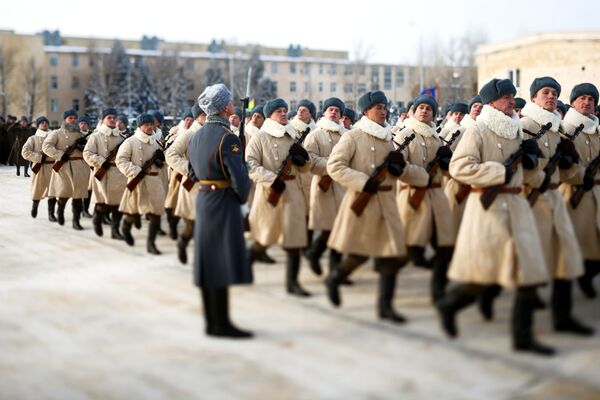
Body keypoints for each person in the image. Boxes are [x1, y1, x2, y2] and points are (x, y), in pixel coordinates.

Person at [437, 78, 554, 356]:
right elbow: (459, 167)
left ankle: (523, 337)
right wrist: (499, 172)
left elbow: (527, 176)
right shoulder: (477, 130)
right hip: (488, 209)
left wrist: (533, 163)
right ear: (491, 102)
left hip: (517, 204)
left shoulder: (516, 130)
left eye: (513, 96)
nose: (511, 101)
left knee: (528, 273)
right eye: (505, 97)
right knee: (482, 277)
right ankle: (449, 306)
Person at [325, 91, 411, 323]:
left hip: (387, 202)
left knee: (390, 257)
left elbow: (395, 171)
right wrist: (363, 181)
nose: (383, 111)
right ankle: (335, 277)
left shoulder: (388, 138)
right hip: (363, 201)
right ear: (366, 111)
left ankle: (386, 307)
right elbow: (335, 166)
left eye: (385, 107)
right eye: (378, 107)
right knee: (360, 253)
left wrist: (398, 169)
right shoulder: (353, 137)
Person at [520, 77, 594, 336]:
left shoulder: (558, 128)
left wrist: (572, 165)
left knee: (566, 258)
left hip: (554, 198)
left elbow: (567, 175)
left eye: (555, 93)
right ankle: (523, 331)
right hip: (531, 200)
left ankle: (562, 317)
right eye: (546, 92)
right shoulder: (524, 126)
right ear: (533, 98)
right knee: (530, 264)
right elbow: (517, 169)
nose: (551, 96)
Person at [188, 84, 253, 338]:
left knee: (209, 262)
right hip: (224, 200)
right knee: (222, 262)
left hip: (204, 200)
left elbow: (192, 174)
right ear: (225, 107)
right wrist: (241, 198)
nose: (234, 105)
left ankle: (213, 322)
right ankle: (221, 324)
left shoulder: (196, 136)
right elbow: (240, 181)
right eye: (231, 102)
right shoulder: (228, 137)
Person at [246, 98, 313, 297]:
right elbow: (250, 164)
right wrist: (270, 179)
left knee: (295, 240)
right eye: (279, 111)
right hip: (269, 191)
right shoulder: (260, 138)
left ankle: (292, 283)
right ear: (270, 115)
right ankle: (245, 265)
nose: (284, 114)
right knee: (264, 238)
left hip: (292, 191)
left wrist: (304, 159)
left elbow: (306, 168)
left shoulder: (293, 137)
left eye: (285, 110)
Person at [559, 83, 600, 299]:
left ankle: (585, 275)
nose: (587, 102)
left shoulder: (597, 129)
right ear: (573, 102)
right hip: (575, 194)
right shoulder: (565, 129)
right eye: (582, 98)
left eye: (591, 99)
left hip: (597, 194)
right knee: (575, 246)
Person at [303, 97, 347, 276]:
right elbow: (310, 160)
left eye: (337, 110)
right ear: (324, 113)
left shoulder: (346, 135)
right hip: (323, 185)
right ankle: (315, 253)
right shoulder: (315, 134)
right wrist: (333, 164)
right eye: (331, 110)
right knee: (329, 228)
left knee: (340, 229)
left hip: (342, 185)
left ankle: (335, 270)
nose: (334, 112)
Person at [116, 113, 166, 254]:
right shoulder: (131, 142)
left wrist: (161, 161)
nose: (150, 126)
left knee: (156, 214)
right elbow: (121, 160)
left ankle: (151, 243)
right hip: (138, 182)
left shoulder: (157, 142)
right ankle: (126, 228)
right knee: (133, 213)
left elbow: (163, 162)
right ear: (140, 126)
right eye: (147, 124)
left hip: (155, 182)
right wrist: (136, 171)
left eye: (152, 124)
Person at [83, 108, 128, 239]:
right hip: (103, 173)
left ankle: (115, 231)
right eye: (109, 117)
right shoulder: (96, 136)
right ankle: (97, 219)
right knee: (102, 203)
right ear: (103, 120)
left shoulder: (122, 137)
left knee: (118, 205)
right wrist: (101, 161)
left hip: (119, 174)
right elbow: (87, 153)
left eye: (114, 117)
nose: (113, 120)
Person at [42, 109, 91, 230]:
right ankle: (60, 212)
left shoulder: (80, 134)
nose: (73, 120)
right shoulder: (56, 133)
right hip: (64, 166)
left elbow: (88, 149)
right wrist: (59, 154)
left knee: (78, 196)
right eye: (70, 118)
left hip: (80, 167)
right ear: (65, 119)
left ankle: (76, 221)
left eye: (75, 118)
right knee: (64, 193)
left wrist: (82, 146)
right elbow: (46, 146)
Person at [165, 109, 197, 263]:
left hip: (199, 181)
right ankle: (173, 228)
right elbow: (170, 153)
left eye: (191, 119)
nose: (189, 122)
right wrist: (187, 168)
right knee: (175, 205)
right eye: (187, 120)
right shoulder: (181, 135)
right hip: (180, 176)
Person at [21, 116, 56, 220]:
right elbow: (25, 152)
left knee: (53, 192)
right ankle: (35, 206)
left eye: (46, 122)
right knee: (37, 190)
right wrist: (39, 158)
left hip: (53, 167)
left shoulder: (54, 137)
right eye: (42, 122)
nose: (44, 124)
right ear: (38, 125)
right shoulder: (33, 139)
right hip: (39, 167)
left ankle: (51, 214)